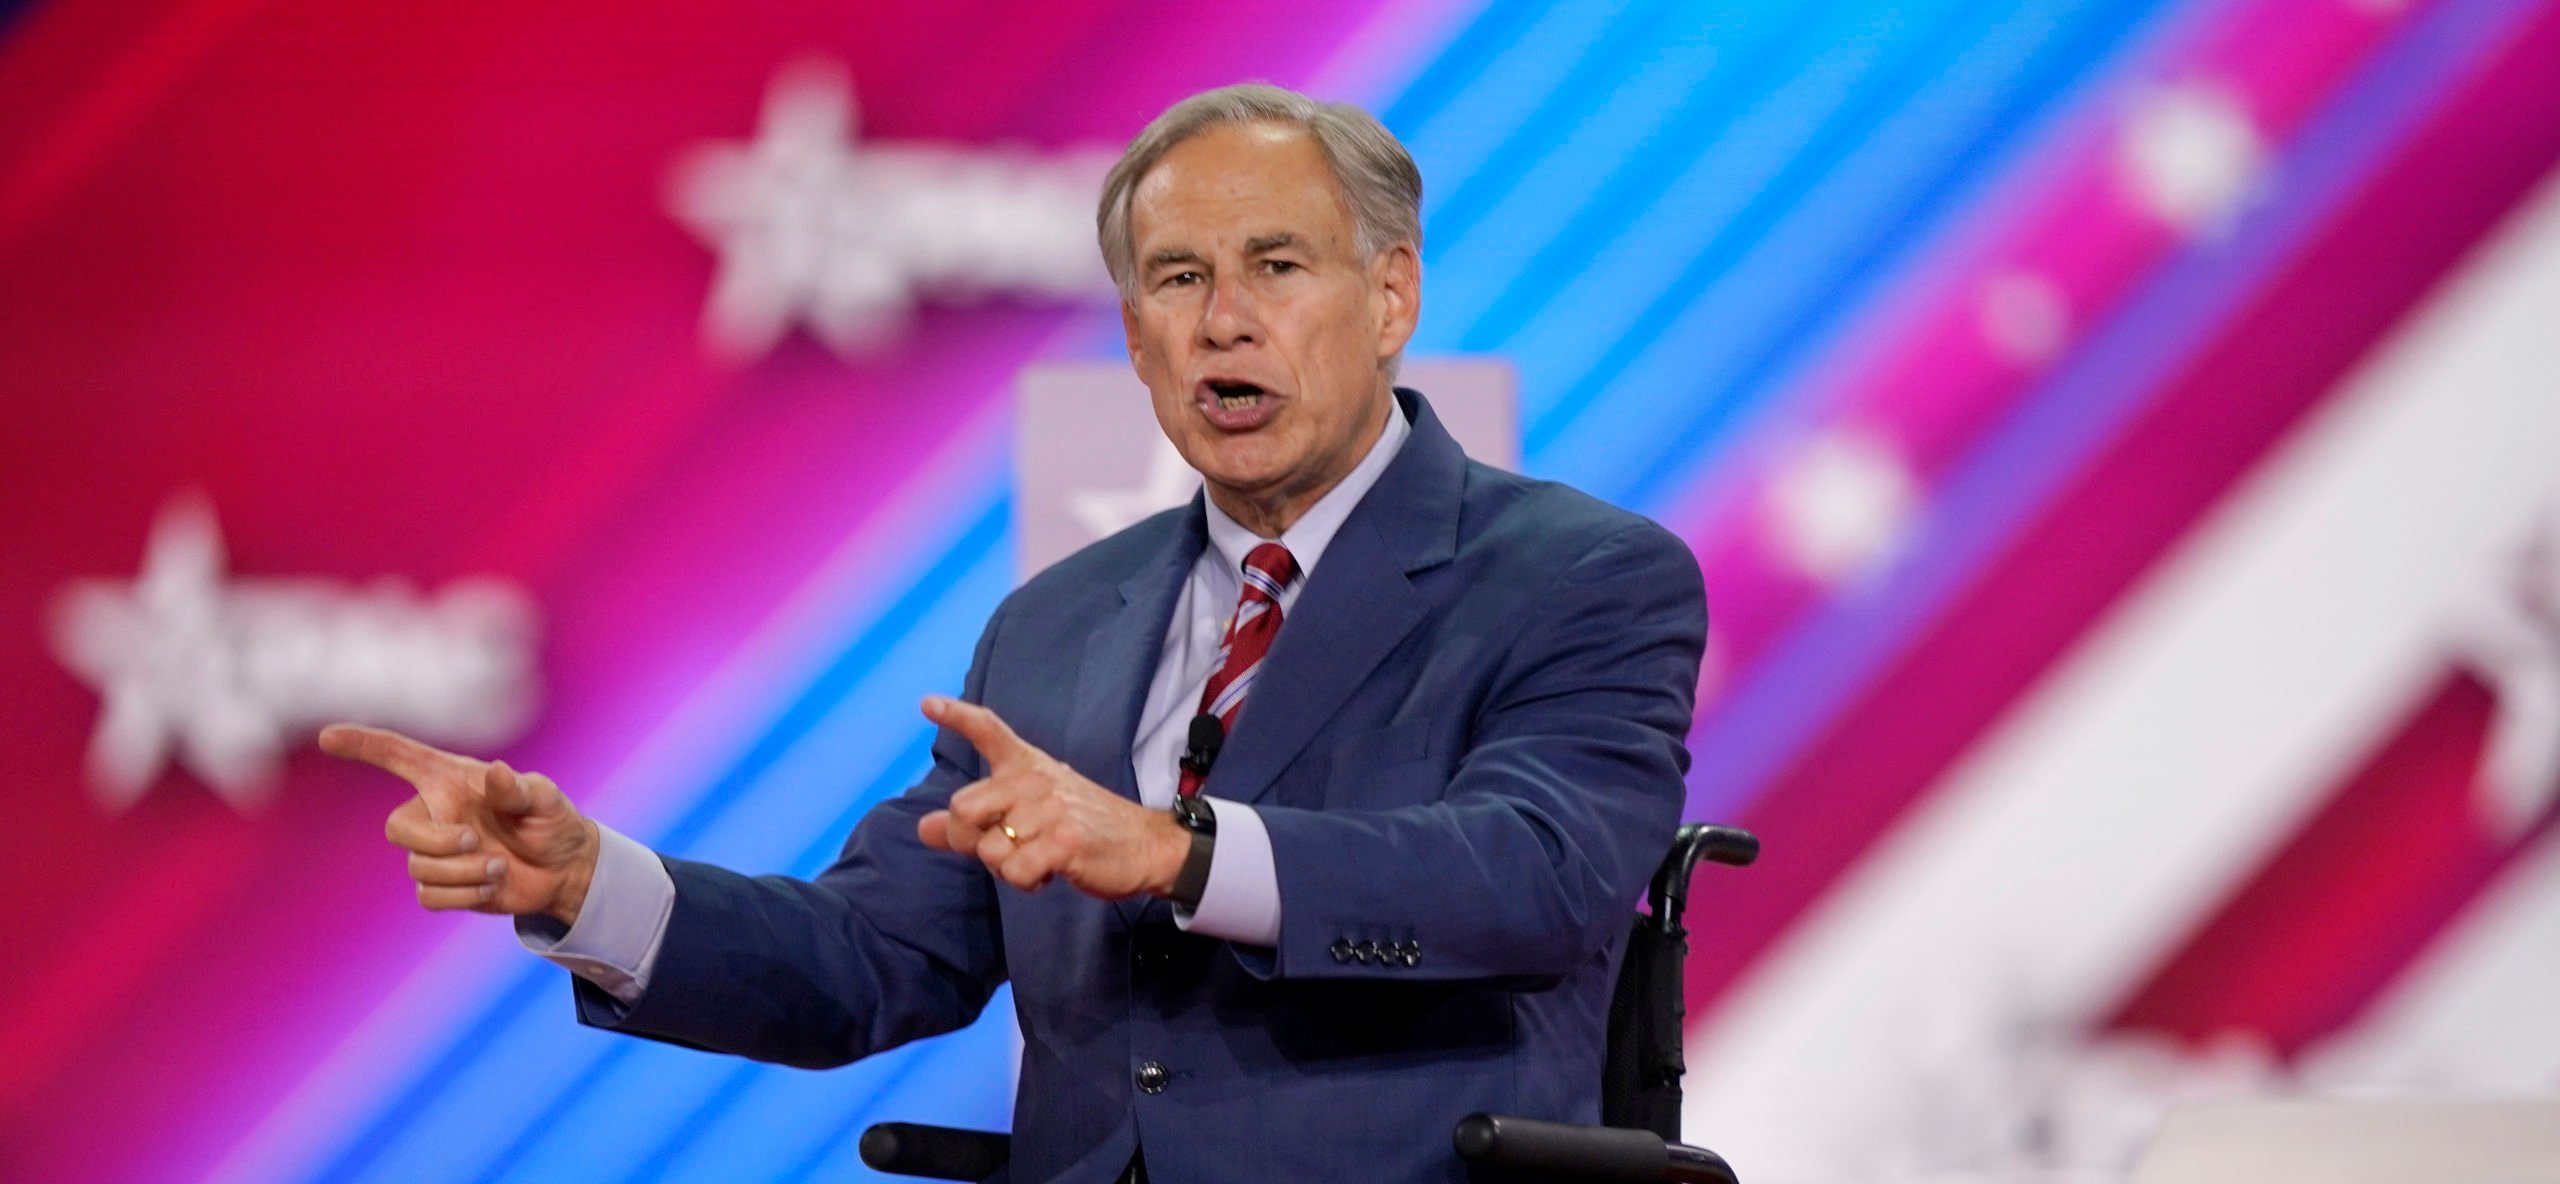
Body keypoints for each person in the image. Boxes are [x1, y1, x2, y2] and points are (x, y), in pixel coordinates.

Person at [324, 83, 1706, 1184]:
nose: (1224, 321)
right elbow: (872, 958)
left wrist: (1176, 852)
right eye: (1174, 280)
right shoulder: (1056, 626)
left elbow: (1535, 875)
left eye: (1277, 266)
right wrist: (585, 889)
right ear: (1132, 331)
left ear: (1392, 296)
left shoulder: (1578, 577)